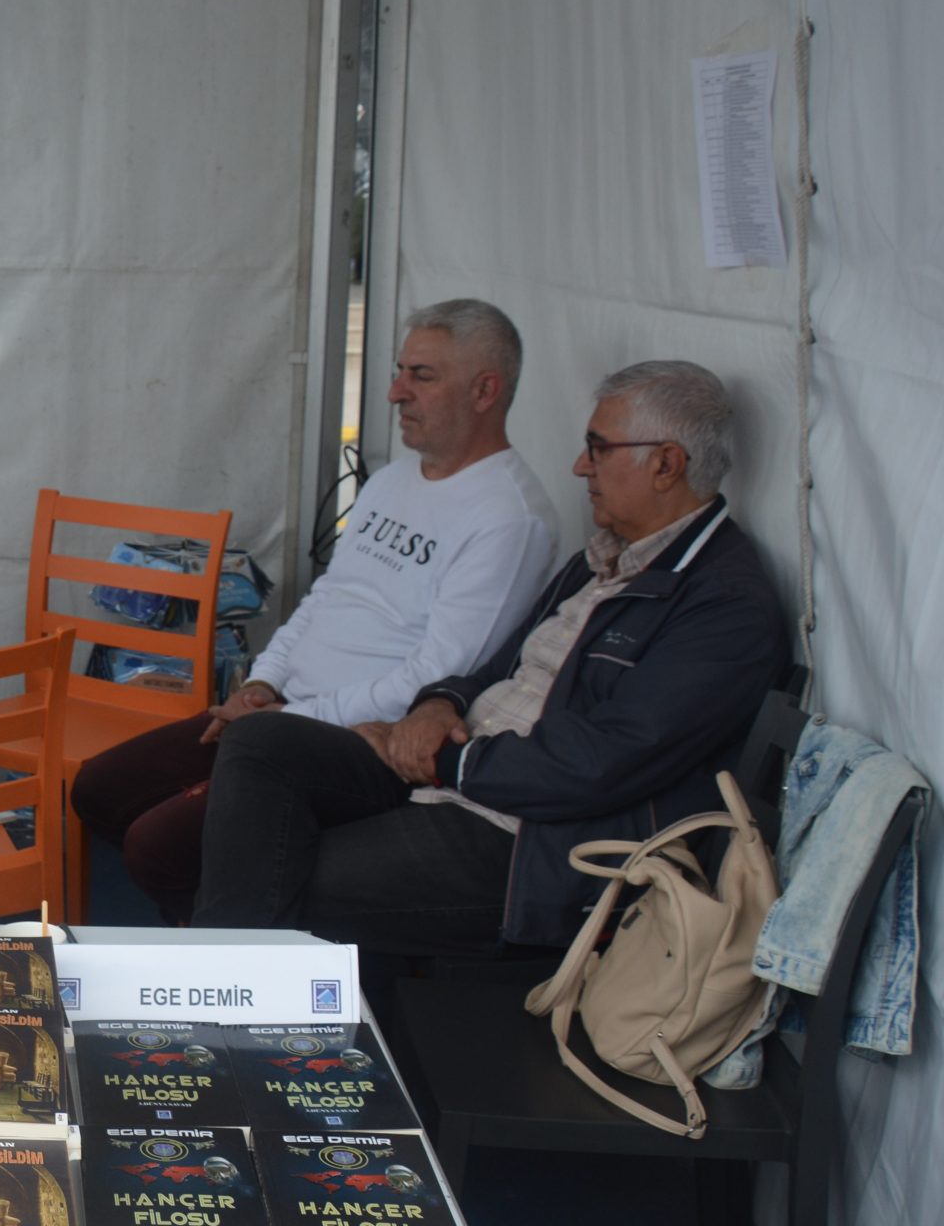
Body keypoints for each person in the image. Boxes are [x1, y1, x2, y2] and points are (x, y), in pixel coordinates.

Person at [190, 360, 789, 959]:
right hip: (459, 771)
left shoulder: (723, 606)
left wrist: (443, 760)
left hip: (536, 838)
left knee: (278, 869)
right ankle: (236, 993)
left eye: (598, 448)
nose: (580, 466)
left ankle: (226, 997)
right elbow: (496, 666)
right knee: (261, 743)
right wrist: (436, 706)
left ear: (666, 464)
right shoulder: (605, 558)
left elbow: (600, 765)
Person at [75, 300, 560, 920]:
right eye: (399, 371)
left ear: (485, 391)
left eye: (422, 376)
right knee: (99, 790)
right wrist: (261, 682)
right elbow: (326, 597)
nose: (395, 392)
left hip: (363, 744)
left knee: (159, 845)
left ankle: (233, 944)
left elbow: (437, 678)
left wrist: (289, 717)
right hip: (284, 712)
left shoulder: (509, 517)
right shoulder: (393, 480)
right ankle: (225, 909)